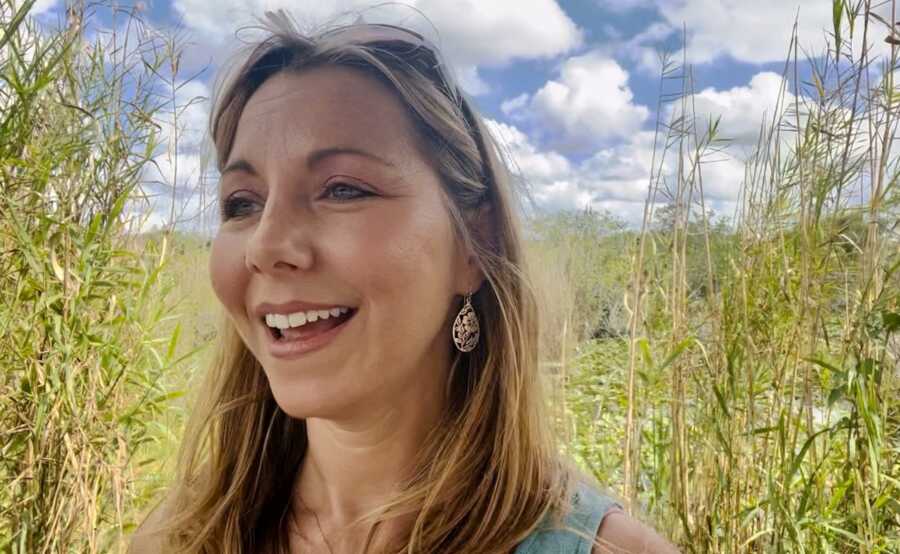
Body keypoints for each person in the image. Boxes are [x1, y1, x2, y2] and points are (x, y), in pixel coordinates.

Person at [130, 10, 678, 554]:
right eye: (242, 203)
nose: (266, 246)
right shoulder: (175, 537)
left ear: (476, 244)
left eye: (342, 189)